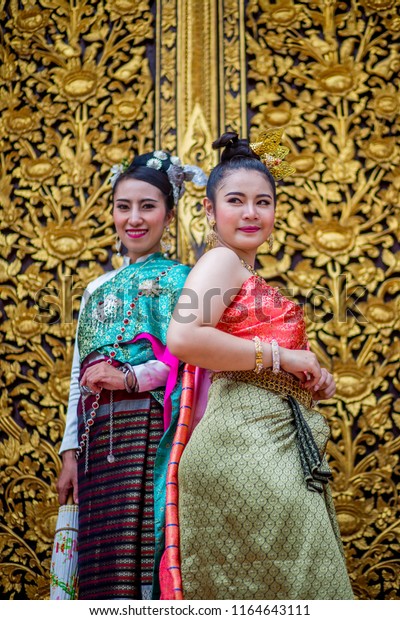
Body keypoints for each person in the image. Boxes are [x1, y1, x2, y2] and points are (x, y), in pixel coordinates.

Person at [164, 130, 354, 600]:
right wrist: (279, 357)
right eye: (236, 200)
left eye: (263, 202)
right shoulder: (222, 262)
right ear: (210, 210)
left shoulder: (242, 271)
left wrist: (306, 377)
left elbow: (237, 350)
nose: (251, 213)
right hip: (243, 447)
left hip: (265, 440)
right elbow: (184, 337)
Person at [56, 148, 206, 600]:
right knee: (101, 559)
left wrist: (131, 378)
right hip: (95, 434)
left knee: (141, 547)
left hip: (147, 430)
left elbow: (186, 361)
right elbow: (77, 375)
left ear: (169, 213)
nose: (134, 219)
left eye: (148, 206)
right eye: (124, 207)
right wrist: (68, 452)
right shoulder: (95, 288)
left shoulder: (185, 279)